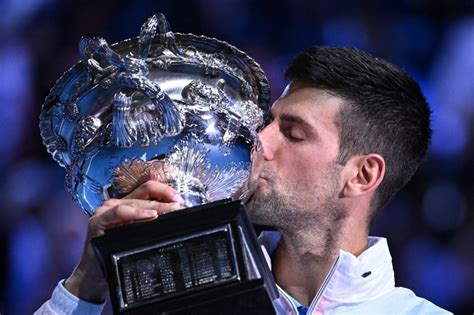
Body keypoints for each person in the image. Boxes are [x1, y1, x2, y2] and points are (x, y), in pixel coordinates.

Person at [36, 46, 450, 314]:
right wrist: (83, 287)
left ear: (362, 175)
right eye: (267, 123)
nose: (258, 141)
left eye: (293, 133)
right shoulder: (178, 303)